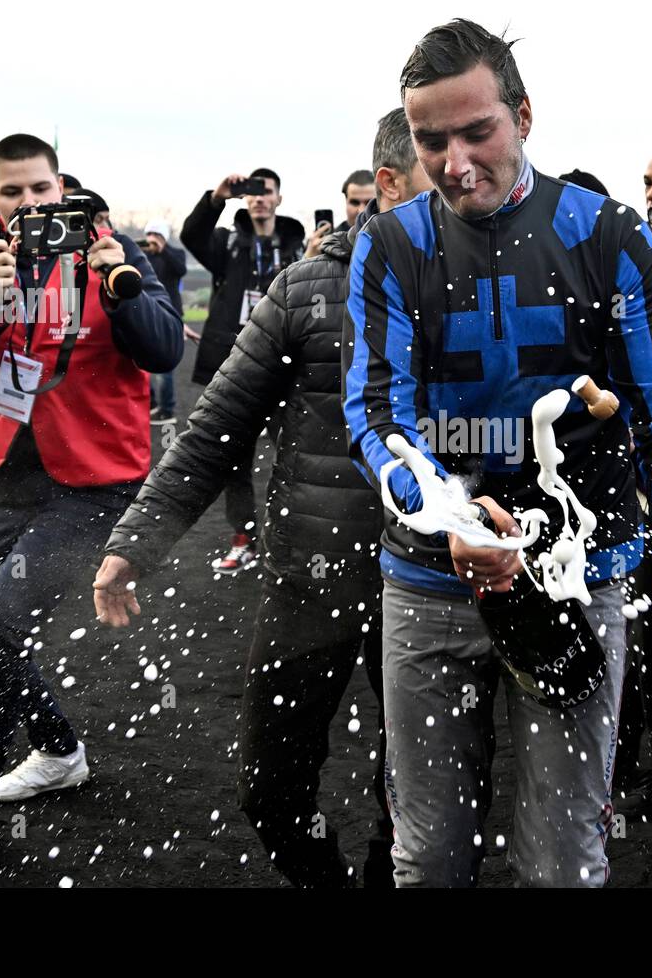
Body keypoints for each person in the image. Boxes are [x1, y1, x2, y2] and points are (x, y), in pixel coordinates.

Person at [344, 19, 652, 887]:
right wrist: (448, 518)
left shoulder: (612, 235)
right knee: (428, 859)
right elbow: (375, 412)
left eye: (478, 132)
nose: (456, 161)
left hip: (580, 582)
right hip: (430, 586)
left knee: (561, 862)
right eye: (432, 140)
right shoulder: (391, 244)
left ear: (524, 115)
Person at [94, 108, 432, 888]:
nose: (460, 182)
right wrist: (135, 542)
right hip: (310, 579)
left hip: (435, 584)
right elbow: (217, 426)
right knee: (269, 786)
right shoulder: (310, 286)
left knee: (424, 793)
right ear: (388, 184)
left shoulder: (488, 285)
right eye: (434, 167)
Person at [0, 133, 182, 848]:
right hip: (12, 476)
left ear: (59, 186)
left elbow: (165, 349)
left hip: (96, 480)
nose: (29, 204)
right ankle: (61, 752)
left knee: (2, 620)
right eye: (13, 192)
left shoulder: (112, 251)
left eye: (40, 189)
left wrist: (121, 281)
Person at [182, 168, 304, 576]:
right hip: (234, 368)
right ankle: (244, 538)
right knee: (234, 459)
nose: (257, 198)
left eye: (265, 191)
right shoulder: (228, 243)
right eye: (251, 193)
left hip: (283, 368)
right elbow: (191, 236)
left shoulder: (296, 247)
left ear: (278, 198)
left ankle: (289, 536)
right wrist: (216, 198)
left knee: (294, 454)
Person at [141, 219, 189, 424]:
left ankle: (166, 409)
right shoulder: (142, 256)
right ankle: (150, 403)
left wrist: (163, 250)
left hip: (169, 312)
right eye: (150, 234)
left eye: (157, 235)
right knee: (142, 362)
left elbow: (180, 270)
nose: (152, 239)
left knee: (164, 364)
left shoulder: (175, 254)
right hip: (147, 311)